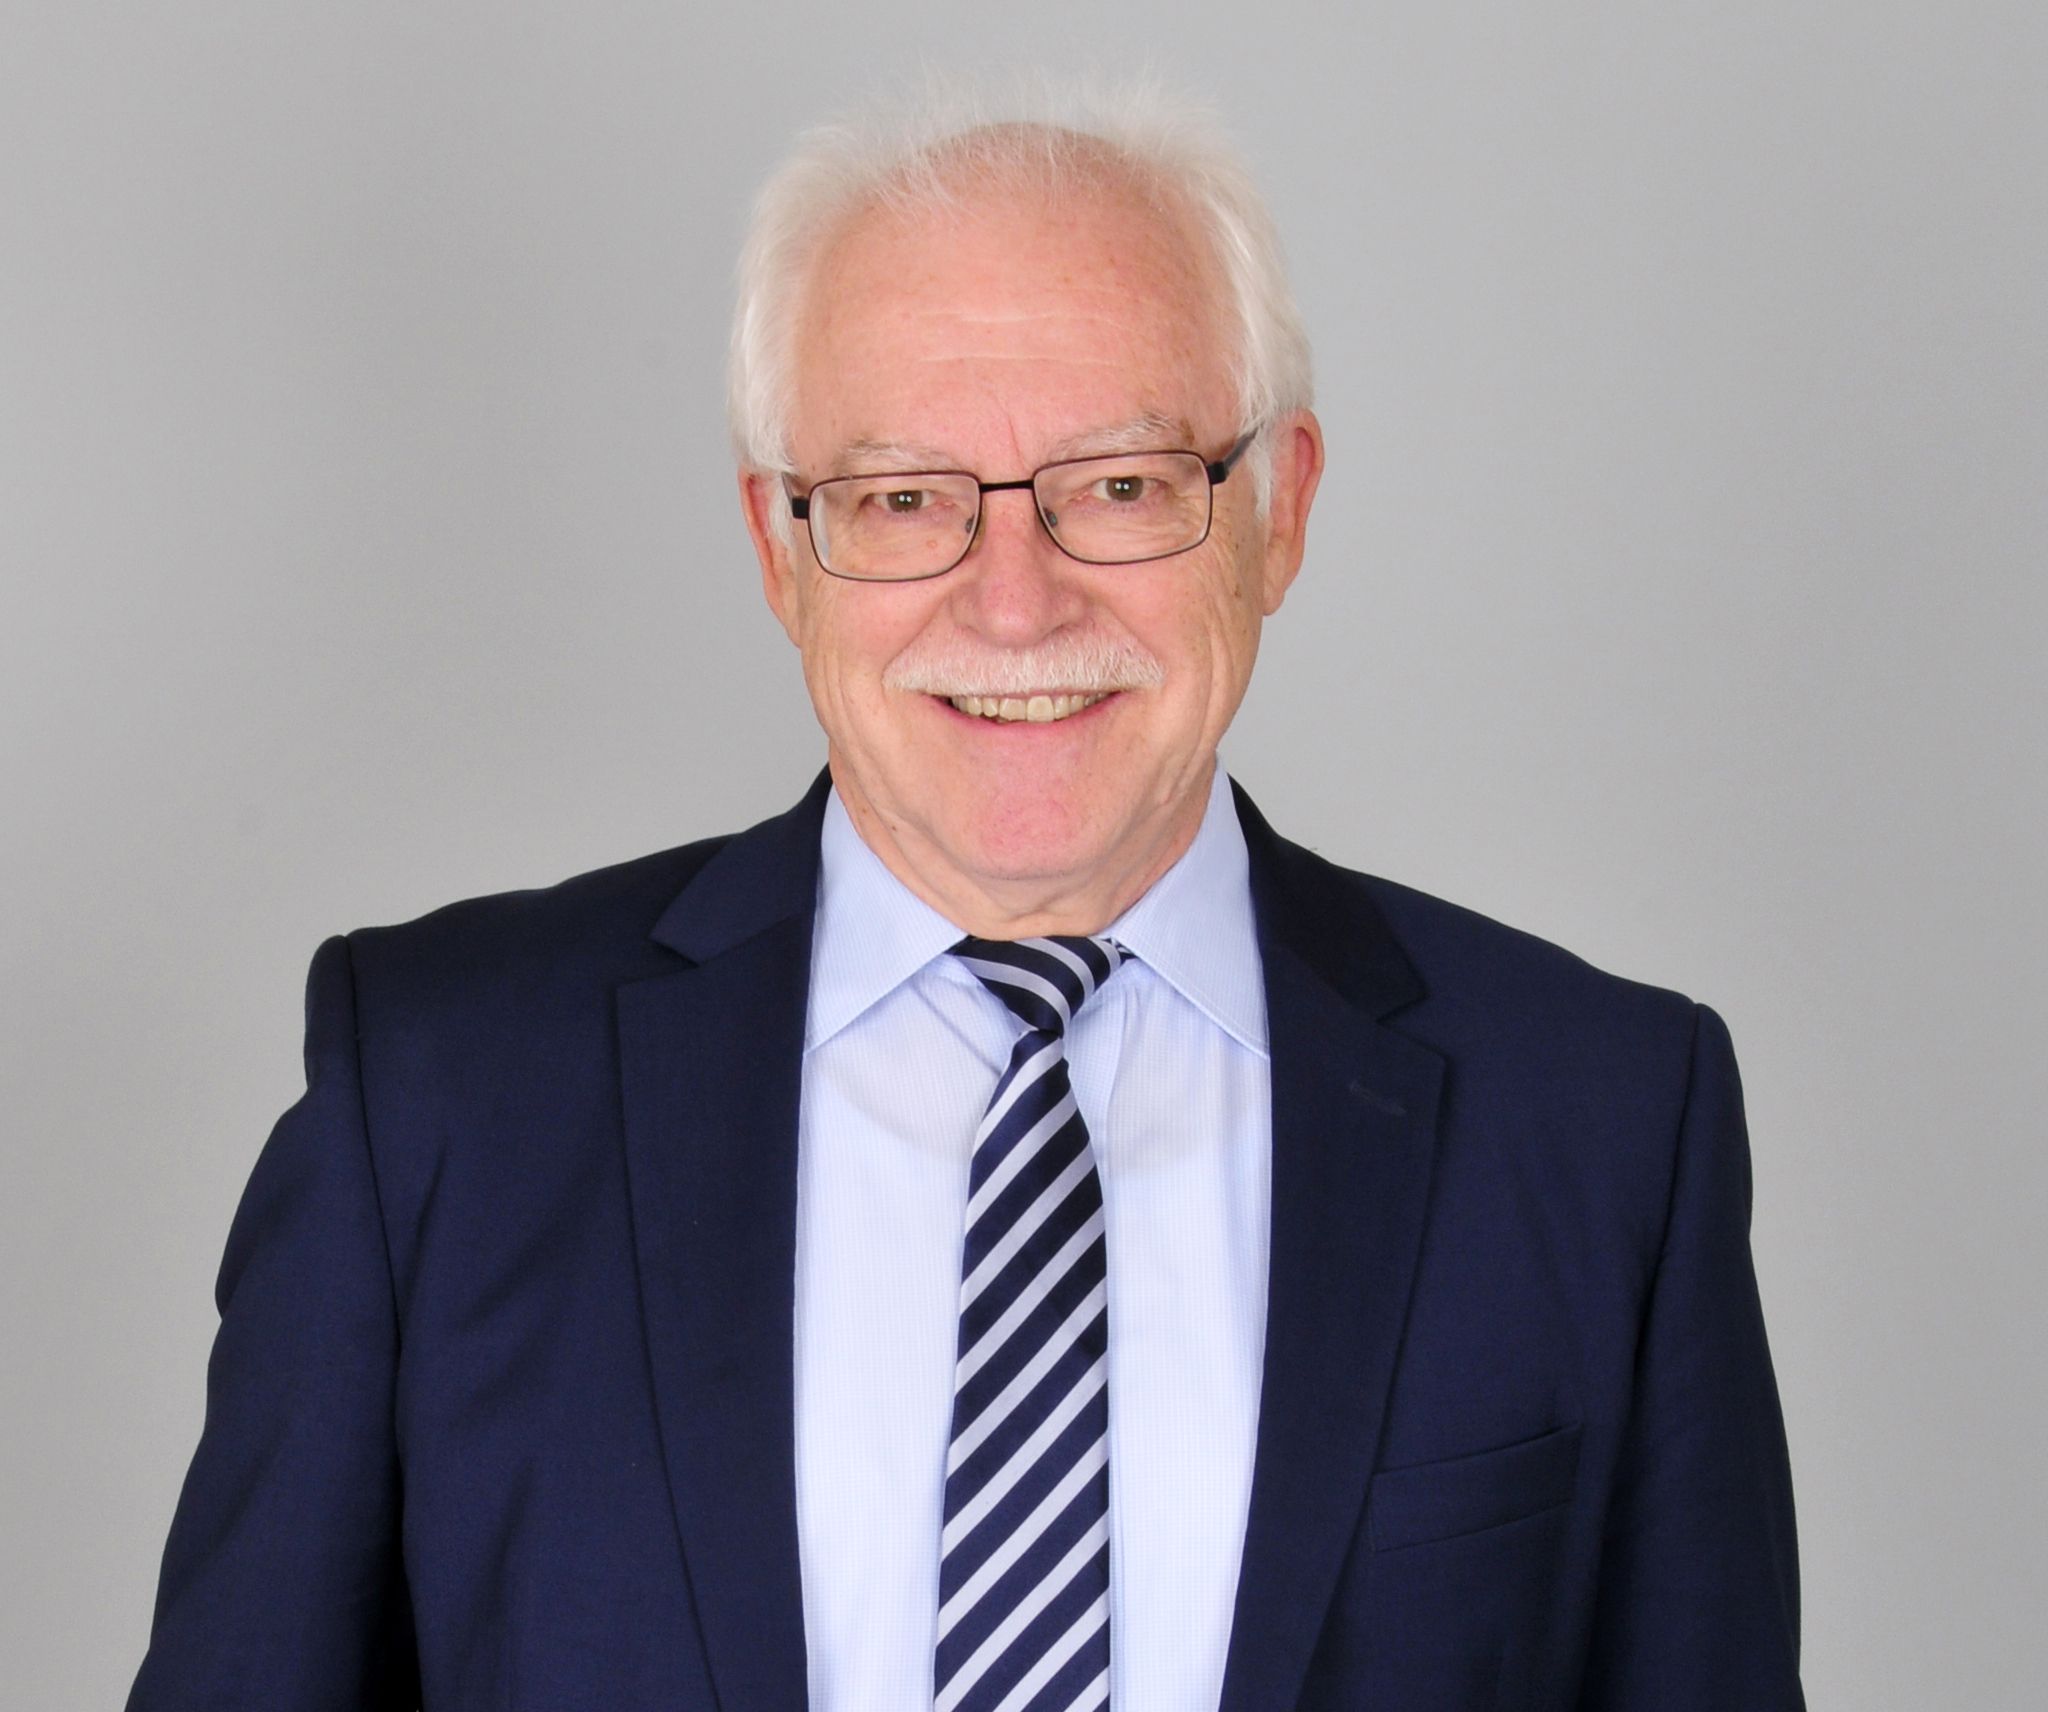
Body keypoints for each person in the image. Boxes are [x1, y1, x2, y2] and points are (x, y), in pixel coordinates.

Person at [128, 85, 1804, 1712]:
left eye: (1124, 484)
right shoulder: (439, 1099)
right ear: (781, 550)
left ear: (1279, 511)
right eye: (903, 499)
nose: (1014, 604)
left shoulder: (1597, 1125)